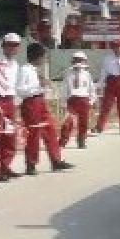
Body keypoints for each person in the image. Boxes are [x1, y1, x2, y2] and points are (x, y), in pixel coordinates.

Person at [18, 43, 73, 174]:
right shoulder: (24, 70)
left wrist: (43, 86)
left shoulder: (34, 70)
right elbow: (20, 90)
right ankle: (31, 164)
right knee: (34, 134)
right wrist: (38, 86)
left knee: (50, 129)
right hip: (30, 103)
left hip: (40, 102)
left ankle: (56, 160)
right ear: (37, 57)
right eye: (43, 57)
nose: (44, 60)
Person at [0, 34, 24, 179]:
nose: (13, 48)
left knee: (10, 135)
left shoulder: (16, 65)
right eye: (10, 45)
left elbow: (16, 86)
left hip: (10, 101)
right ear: (3, 46)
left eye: (16, 45)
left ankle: (5, 166)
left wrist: (16, 103)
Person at [96, 42, 120, 135]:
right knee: (106, 105)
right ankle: (100, 126)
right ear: (113, 48)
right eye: (116, 47)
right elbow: (103, 73)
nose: (117, 49)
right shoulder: (107, 59)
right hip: (111, 82)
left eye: (119, 47)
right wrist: (100, 85)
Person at [60, 52, 96, 150]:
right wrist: (63, 102)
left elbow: (91, 88)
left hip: (84, 100)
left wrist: (92, 100)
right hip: (72, 100)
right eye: (76, 60)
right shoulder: (68, 73)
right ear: (73, 61)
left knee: (83, 122)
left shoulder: (87, 74)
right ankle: (63, 141)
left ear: (84, 61)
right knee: (68, 121)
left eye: (80, 60)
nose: (78, 62)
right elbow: (64, 88)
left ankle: (81, 141)